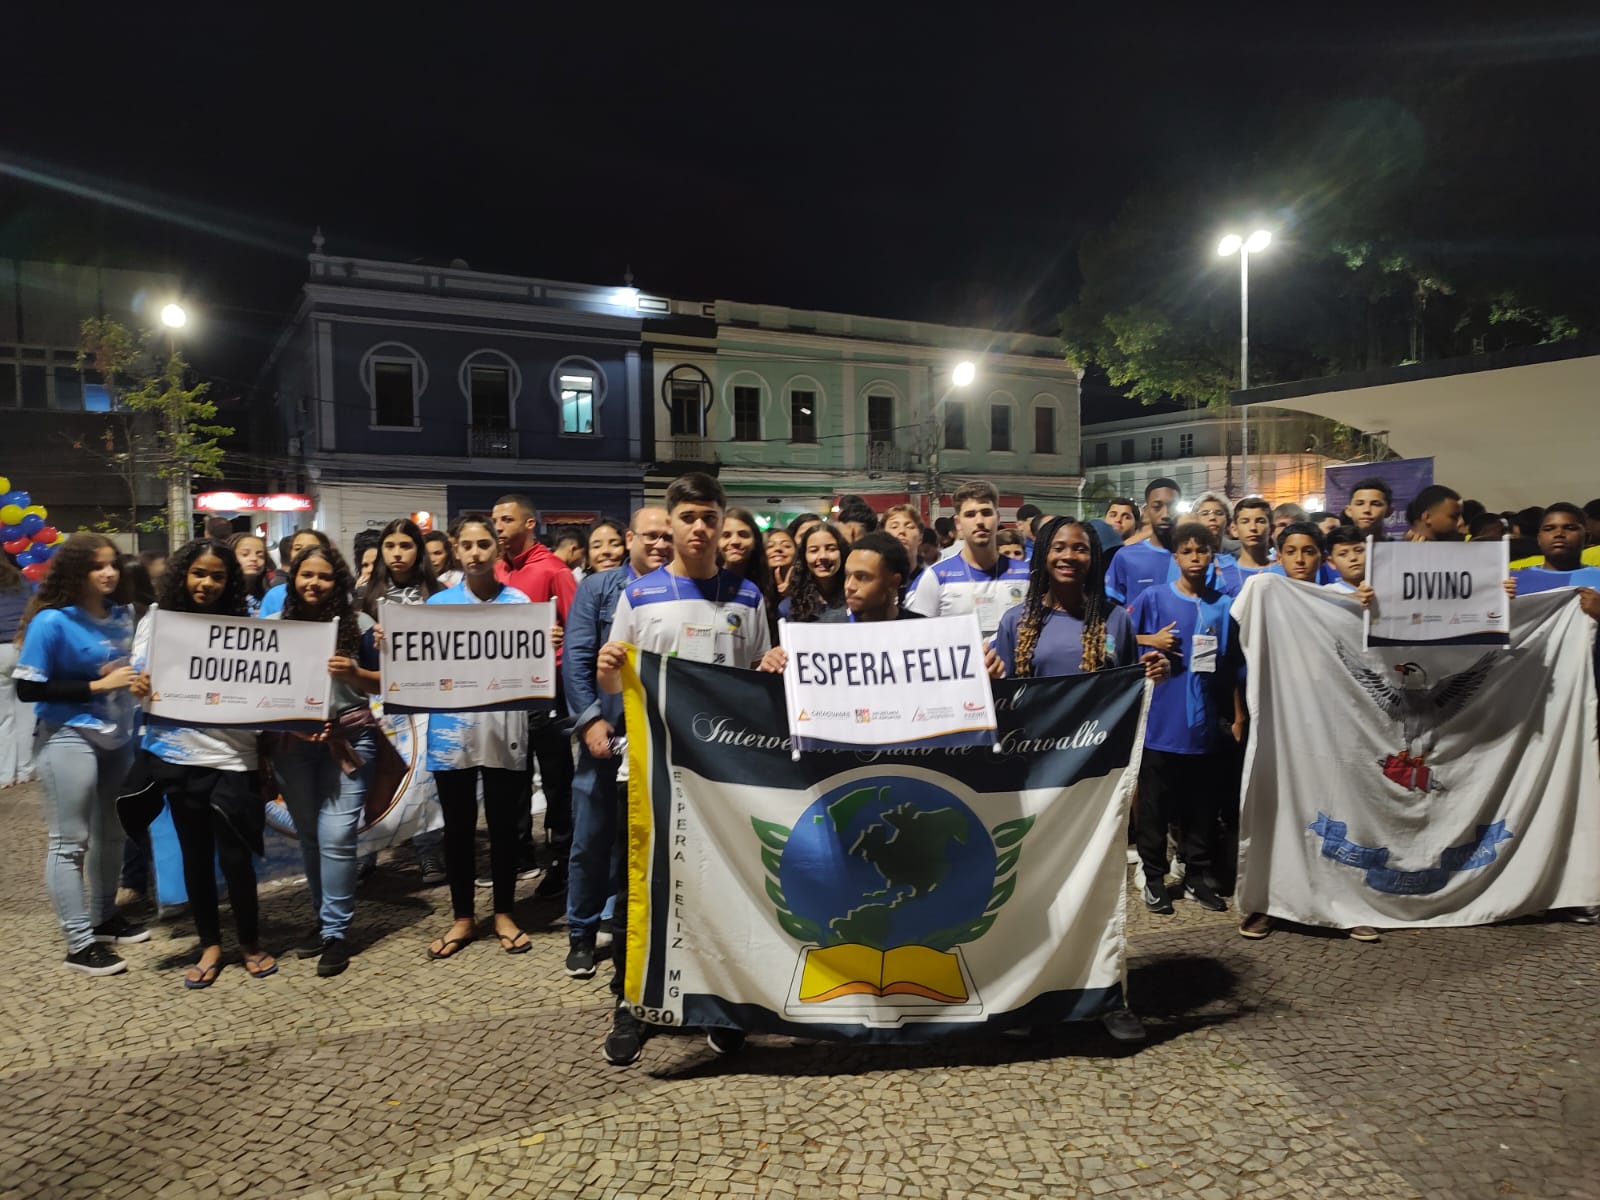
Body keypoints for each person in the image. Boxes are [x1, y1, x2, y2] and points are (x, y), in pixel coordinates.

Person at [594, 472, 772, 1064]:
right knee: (639, 888)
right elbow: (610, 681)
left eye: (709, 518)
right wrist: (607, 664)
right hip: (648, 772)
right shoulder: (638, 595)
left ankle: (723, 1003)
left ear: (723, 524)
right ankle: (631, 1001)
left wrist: (772, 661)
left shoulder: (747, 598)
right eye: (688, 518)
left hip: (722, 775)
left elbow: (756, 685)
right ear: (668, 525)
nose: (699, 528)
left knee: (723, 887)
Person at [982, 516, 1169, 1045]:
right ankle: (1025, 992)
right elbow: (1005, 702)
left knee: (1099, 889)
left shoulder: (1115, 620)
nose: (1069, 556)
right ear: (1042, 555)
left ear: (1094, 558)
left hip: (1095, 779)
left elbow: (1129, 693)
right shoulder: (1017, 621)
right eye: (1059, 547)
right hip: (1035, 780)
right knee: (1030, 889)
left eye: (1081, 548)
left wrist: (1151, 672)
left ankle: (1106, 993)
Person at [129, 540, 276, 987]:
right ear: (182, 575)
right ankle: (210, 943)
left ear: (229, 580)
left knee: (237, 857)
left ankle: (250, 942)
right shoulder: (157, 623)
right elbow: (141, 675)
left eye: (217, 575)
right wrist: (141, 684)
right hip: (177, 755)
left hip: (234, 755)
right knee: (196, 856)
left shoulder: (248, 627)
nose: (207, 583)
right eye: (198, 573)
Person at [14, 534, 143, 975]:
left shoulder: (124, 615)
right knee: (70, 841)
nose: (108, 573)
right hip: (67, 735)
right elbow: (27, 687)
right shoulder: (51, 622)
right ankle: (78, 943)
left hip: (119, 736)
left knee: (112, 834)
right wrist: (97, 686)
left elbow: (128, 670)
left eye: (112, 565)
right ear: (76, 572)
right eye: (96, 567)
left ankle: (104, 918)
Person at [419, 515, 539, 961]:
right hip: (451, 730)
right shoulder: (438, 607)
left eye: (483, 544)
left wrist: (546, 644)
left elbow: (531, 669)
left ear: (498, 549)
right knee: (459, 827)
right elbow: (423, 667)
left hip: (505, 727)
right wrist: (394, 647)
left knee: (506, 825)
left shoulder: (520, 603)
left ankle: (505, 911)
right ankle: (464, 916)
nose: (475, 553)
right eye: (466, 545)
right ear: (454, 549)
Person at [564, 507, 673, 980]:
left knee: (649, 842)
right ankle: (582, 933)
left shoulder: (681, 590)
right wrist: (589, 722)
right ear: (630, 538)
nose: (659, 544)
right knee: (591, 838)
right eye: (649, 535)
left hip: (664, 738)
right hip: (609, 735)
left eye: (667, 536)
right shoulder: (598, 588)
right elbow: (577, 658)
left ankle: (631, 927)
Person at [266, 543, 380, 978]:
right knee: (312, 837)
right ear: (293, 579)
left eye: (325, 576)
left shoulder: (362, 625)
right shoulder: (275, 627)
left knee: (337, 836)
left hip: (349, 742)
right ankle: (322, 920)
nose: (314, 583)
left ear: (339, 582)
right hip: (292, 746)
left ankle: (336, 932)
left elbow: (389, 680)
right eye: (306, 575)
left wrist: (353, 673)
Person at [1129, 522, 1244, 919]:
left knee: (1201, 808)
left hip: (1205, 727)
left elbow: (1230, 665)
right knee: (1155, 807)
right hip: (1159, 725)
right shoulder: (1153, 597)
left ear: (1214, 555)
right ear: (1175, 557)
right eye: (1187, 552)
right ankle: (1156, 879)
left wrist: (1237, 715)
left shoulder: (1224, 605)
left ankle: (1197, 876)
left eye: (1203, 551)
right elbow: (1115, 641)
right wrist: (1149, 642)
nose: (1195, 558)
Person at [491, 494, 577, 897]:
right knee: (513, 775)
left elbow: (576, 632)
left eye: (506, 519)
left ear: (529, 524)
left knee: (557, 778)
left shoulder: (554, 570)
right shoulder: (495, 571)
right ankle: (520, 852)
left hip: (548, 692)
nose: (498, 527)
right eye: (495, 520)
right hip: (505, 692)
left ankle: (562, 856)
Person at [357, 518, 448, 886]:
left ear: (418, 550)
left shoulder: (439, 594)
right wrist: (371, 643)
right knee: (379, 777)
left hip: (425, 698)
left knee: (425, 780)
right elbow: (355, 654)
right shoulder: (364, 595)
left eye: (406, 545)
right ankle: (366, 854)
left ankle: (429, 853)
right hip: (377, 701)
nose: (398, 553)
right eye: (390, 545)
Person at [905, 480, 1030, 634]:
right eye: (970, 515)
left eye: (986, 513)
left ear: (997, 518)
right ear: (958, 523)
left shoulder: (1027, 575)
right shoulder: (936, 577)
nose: (979, 521)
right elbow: (918, 635)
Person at [1105, 478, 1180, 610]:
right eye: (1157, 507)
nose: (1165, 514)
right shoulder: (1125, 556)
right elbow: (1112, 611)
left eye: (1172, 506)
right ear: (1146, 511)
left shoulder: (1193, 557)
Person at [1, 556, 36, 788]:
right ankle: (26, 769)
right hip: (23, 646)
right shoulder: (20, 580)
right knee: (28, 714)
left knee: (3, 718)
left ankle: (5, 774)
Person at [720, 507, 778, 642]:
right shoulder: (704, 582)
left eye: (743, 534)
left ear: (755, 541)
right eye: (726, 535)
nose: (734, 541)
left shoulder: (768, 585)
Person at [780, 522, 850, 622]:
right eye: (814, 550)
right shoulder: (789, 607)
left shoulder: (856, 600)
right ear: (804, 557)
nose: (823, 556)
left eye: (831, 549)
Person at [259, 529, 331, 617]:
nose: (303, 552)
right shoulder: (275, 595)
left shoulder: (336, 593)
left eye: (311, 548)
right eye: (297, 548)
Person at [881, 504, 928, 594]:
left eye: (909, 526)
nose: (901, 531)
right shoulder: (876, 581)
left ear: (920, 536)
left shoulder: (931, 580)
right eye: (894, 527)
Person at [229, 533, 275, 616]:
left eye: (260, 556)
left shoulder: (271, 595)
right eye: (245, 554)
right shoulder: (220, 596)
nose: (254, 558)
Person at [1323, 525, 1368, 593]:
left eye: (1359, 550)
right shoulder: (1328, 594)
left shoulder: (1386, 586)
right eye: (1343, 554)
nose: (1353, 558)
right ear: (1331, 562)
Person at [765, 528, 797, 599]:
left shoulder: (806, 584)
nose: (778, 548)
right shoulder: (753, 585)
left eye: (786, 545)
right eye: (770, 546)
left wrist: (790, 596)